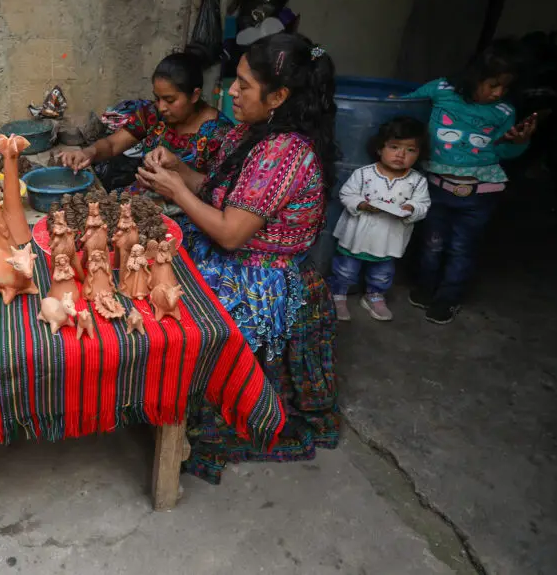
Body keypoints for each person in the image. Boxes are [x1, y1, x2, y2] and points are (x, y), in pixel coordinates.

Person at [137, 33, 339, 479]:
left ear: (279, 96)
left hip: (257, 274)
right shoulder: (252, 132)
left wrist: (174, 192)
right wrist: (178, 168)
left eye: (244, 84)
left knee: (175, 315)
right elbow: (217, 193)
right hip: (223, 247)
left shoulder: (286, 152)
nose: (231, 90)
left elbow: (230, 233)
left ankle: (188, 415)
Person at [402, 39, 537, 324]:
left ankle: (447, 299)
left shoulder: (503, 112)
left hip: (478, 194)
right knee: (431, 243)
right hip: (436, 189)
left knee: (461, 248)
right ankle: (426, 288)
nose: (498, 93)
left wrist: (520, 143)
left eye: (505, 87)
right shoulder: (440, 90)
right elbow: (407, 110)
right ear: (474, 76)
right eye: (492, 84)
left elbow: (503, 151)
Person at [60, 48, 234, 190]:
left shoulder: (220, 133)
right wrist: (88, 153)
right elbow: (113, 145)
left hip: (186, 215)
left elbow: (217, 192)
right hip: (141, 198)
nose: (161, 106)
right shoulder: (154, 114)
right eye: (158, 98)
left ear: (195, 95)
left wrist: (176, 173)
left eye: (170, 100)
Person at [329, 117, 431, 322]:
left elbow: (423, 205)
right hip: (356, 235)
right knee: (346, 270)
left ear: (419, 154)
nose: (401, 155)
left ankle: (374, 296)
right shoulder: (364, 174)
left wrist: (412, 207)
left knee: (382, 273)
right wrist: (362, 205)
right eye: (394, 147)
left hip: (388, 238)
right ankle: (337, 294)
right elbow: (346, 194)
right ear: (379, 148)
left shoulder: (417, 181)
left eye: (410, 150)